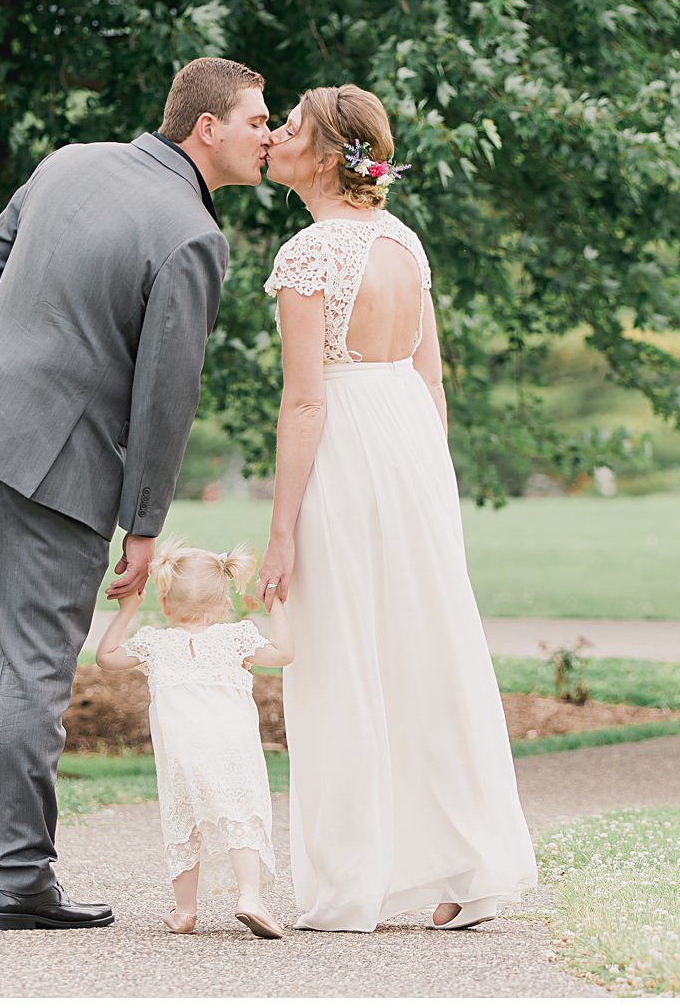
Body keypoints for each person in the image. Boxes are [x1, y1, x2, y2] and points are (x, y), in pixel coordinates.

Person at [0, 58, 272, 931]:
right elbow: (164, 395)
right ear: (207, 128)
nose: (269, 136)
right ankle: (20, 877)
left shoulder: (69, 159)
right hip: (59, 463)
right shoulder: (193, 237)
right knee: (34, 665)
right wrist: (144, 525)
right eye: (259, 120)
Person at [258, 84, 539, 933]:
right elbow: (430, 378)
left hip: (344, 449)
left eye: (290, 127)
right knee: (429, 654)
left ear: (326, 155)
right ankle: (466, 867)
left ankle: (353, 883)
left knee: (341, 656)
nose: (273, 135)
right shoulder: (404, 245)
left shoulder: (307, 257)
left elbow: (305, 405)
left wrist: (279, 532)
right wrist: (432, 485)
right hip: (412, 449)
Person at [95, 540, 295, 940]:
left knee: (184, 822)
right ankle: (250, 897)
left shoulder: (156, 642)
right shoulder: (236, 638)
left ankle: (186, 911)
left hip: (184, 754)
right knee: (241, 813)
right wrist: (275, 605)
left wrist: (128, 611)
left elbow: (106, 657)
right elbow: (284, 653)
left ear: (166, 604)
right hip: (232, 748)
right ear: (225, 604)